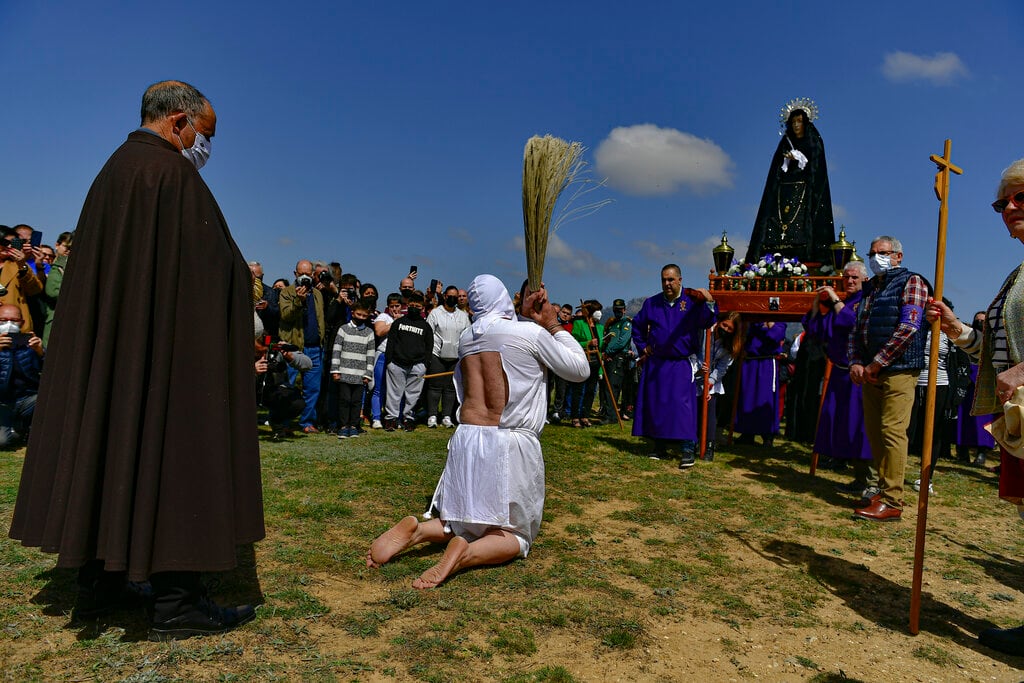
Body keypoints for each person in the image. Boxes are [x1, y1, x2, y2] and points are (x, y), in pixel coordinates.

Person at [8, 81, 262, 639]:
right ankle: (178, 602)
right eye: (205, 134)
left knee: (111, 444)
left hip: (119, 357)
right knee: (172, 452)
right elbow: (212, 273)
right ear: (178, 123)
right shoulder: (171, 176)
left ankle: (101, 581)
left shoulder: (114, 173)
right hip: (167, 359)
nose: (204, 146)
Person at [366, 275, 589, 588]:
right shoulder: (528, 333)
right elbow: (580, 369)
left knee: (460, 521)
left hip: (468, 437)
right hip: (508, 440)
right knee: (516, 535)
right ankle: (465, 555)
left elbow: (505, 336)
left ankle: (419, 531)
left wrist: (527, 316)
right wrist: (551, 323)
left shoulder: (468, 337)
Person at [927, 159, 1024, 654]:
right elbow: (997, 348)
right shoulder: (1019, 273)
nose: (1009, 208)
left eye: (1021, 198)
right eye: (1002, 202)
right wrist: (958, 329)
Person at [849, 235, 928, 522]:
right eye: (872, 253)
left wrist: (877, 362)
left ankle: (893, 499)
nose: (876, 258)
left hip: (900, 368)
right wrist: (857, 361)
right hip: (870, 370)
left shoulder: (912, 282)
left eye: (882, 253)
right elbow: (857, 328)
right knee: (875, 432)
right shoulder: (870, 288)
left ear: (897, 256)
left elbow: (909, 326)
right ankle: (880, 489)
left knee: (892, 431)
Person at [631, 264, 717, 466]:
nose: (667, 284)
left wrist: (710, 302)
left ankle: (687, 449)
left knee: (683, 407)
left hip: (681, 363)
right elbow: (638, 326)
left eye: (671, 279)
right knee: (658, 404)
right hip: (657, 362)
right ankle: (659, 446)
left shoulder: (692, 302)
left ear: (680, 280)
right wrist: (643, 347)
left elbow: (707, 320)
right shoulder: (652, 303)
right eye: (664, 280)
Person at [804, 260, 874, 493]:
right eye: (847, 277)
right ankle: (859, 478)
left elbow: (851, 322)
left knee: (860, 428)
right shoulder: (843, 302)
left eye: (854, 277)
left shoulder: (866, 301)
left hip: (858, 375)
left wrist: (834, 298)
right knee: (843, 424)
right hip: (839, 374)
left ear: (864, 279)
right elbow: (818, 329)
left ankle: (871, 482)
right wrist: (818, 301)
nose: (850, 281)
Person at [746, 101, 835, 265]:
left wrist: (801, 159)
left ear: (805, 123)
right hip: (784, 190)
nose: (796, 125)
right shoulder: (785, 142)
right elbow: (776, 168)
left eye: (799, 121)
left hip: (805, 191)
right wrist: (785, 161)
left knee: (803, 222)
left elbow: (817, 167)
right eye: (793, 122)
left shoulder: (813, 141)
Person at [278, 260, 326, 433]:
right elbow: (286, 316)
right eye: (300, 274)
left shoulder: (318, 295)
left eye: (308, 273)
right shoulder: (286, 292)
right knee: (287, 387)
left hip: (314, 347)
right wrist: (299, 301)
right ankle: (283, 423)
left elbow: (320, 319)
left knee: (313, 388)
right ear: (295, 274)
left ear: (313, 274)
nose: (304, 277)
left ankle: (307, 422)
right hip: (293, 347)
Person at [692, 311, 741, 461]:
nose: (725, 329)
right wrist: (699, 369)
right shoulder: (705, 333)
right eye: (724, 325)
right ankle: (692, 442)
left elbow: (722, 367)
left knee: (710, 409)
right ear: (719, 322)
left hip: (711, 381)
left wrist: (710, 383)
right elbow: (694, 352)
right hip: (694, 376)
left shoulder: (729, 346)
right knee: (695, 411)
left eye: (730, 329)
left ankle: (709, 446)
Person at [384, 290, 433, 431]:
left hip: (417, 365)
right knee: (394, 394)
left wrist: (425, 364)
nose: (414, 308)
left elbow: (429, 346)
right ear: (407, 305)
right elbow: (391, 343)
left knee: (413, 395)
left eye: (417, 306)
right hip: (396, 364)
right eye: (412, 305)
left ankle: (409, 419)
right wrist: (389, 362)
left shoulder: (426, 326)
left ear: (422, 308)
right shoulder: (398, 322)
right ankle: (391, 419)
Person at [734, 322, 787, 447]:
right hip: (751, 361)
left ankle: (767, 435)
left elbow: (775, 336)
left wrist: (769, 322)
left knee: (766, 398)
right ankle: (747, 433)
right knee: (748, 397)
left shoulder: (779, 323)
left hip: (766, 362)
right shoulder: (753, 322)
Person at [425, 285, 471, 428]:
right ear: (445, 296)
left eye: (455, 296)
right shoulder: (435, 313)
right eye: (449, 296)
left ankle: (446, 415)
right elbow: (428, 333)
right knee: (434, 386)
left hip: (455, 356)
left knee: (451, 388)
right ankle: (432, 415)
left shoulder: (463, 316)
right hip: (437, 354)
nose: (452, 298)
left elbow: (467, 335)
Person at [955, 311, 996, 467]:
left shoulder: (993, 339)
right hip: (967, 382)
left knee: (983, 421)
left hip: (985, 383)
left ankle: (981, 453)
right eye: (977, 320)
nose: (980, 323)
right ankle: (962, 451)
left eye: (983, 321)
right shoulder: (967, 337)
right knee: (964, 418)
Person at [330, 300, 375, 439]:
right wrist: (335, 370)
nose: (361, 317)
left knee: (356, 402)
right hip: (344, 372)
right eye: (358, 314)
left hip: (360, 375)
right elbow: (336, 350)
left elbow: (371, 355)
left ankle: (354, 426)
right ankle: (343, 426)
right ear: (352, 313)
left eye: (364, 315)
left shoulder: (369, 332)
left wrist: (368, 374)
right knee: (344, 400)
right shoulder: (343, 329)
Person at [0, 304, 43, 448]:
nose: (9, 325)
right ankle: (15, 429)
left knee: (49, 397)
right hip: (2, 404)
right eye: (3, 320)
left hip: (25, 400)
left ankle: (21, 427)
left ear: (22, 322)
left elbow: (51, 372)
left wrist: (40, 353)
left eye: (14, 320)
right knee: (3, 442)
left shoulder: (29, 345)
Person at [567, 300, 604, 428]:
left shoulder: (600, 327)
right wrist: (587, 343)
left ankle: (585, 415)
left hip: (595, 362)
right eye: (596, 310)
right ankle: (575, 416)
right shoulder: (579, 324)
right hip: (583, 360)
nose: (599, 313)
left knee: (590, 390)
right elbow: (573, 341)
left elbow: (600, 347)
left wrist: (600, 370)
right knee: (578, 389)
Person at [601, 298, 634, 422]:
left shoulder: (626, 324)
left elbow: (622, 342)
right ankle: (608, 413)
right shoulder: (612, 324)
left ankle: (611, 416)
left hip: (619, 359)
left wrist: (609, 351)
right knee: (607, 387)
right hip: (610, 358)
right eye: (616, 310)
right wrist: (605, 351)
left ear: (624, 310)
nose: (618, 312)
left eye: (620, 310)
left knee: (613, 387)